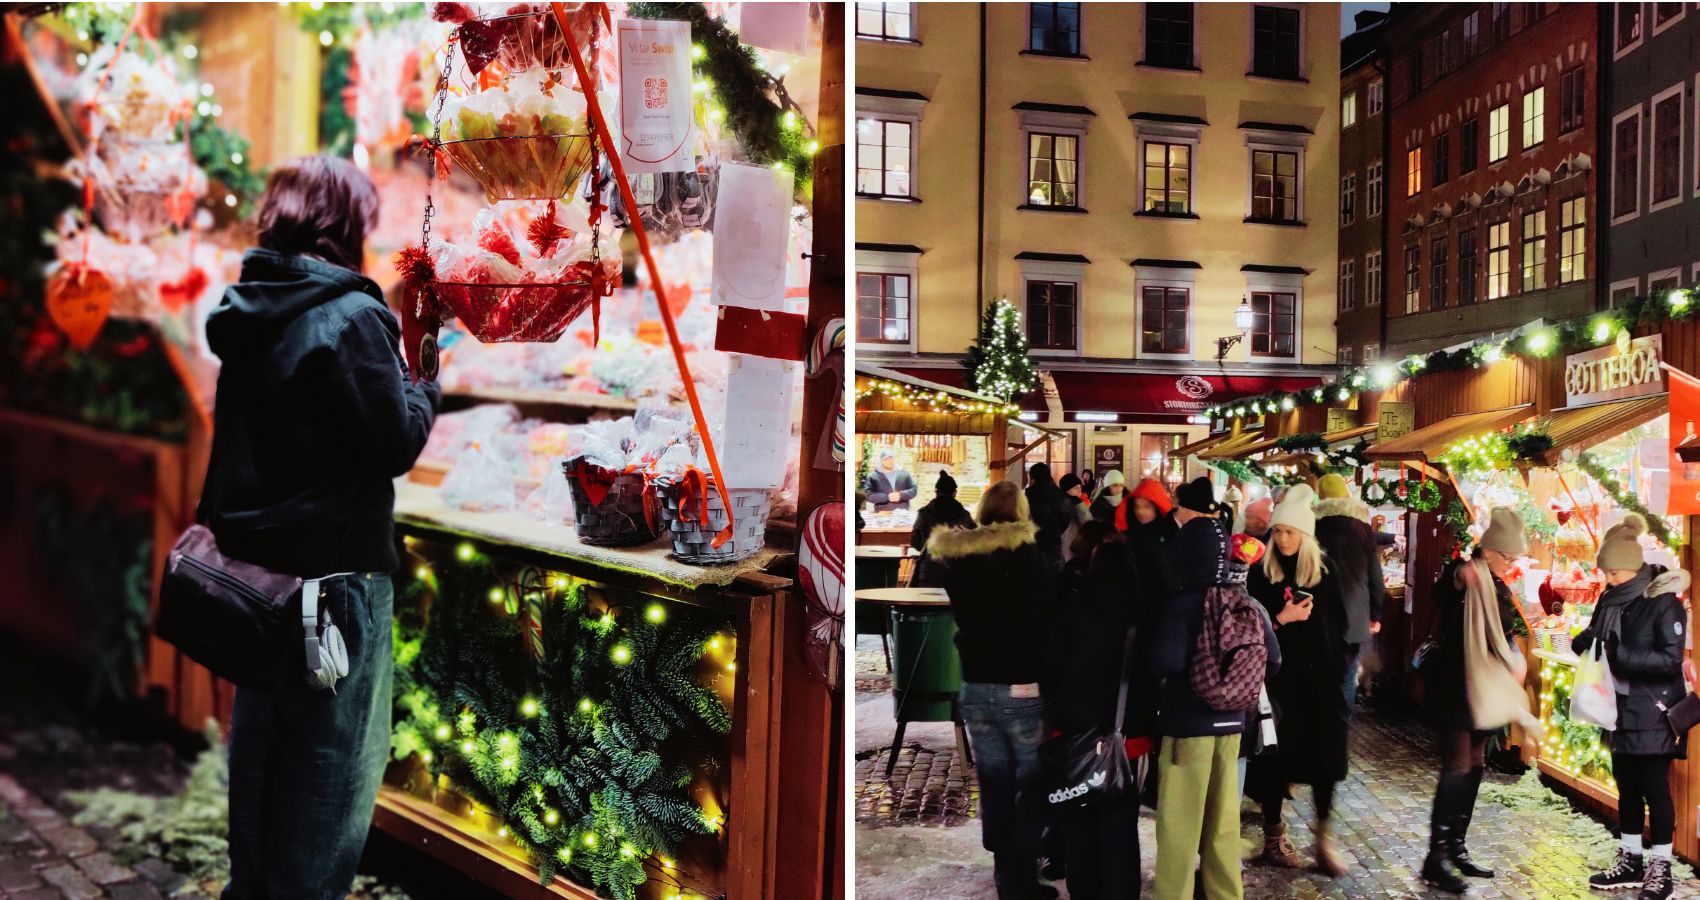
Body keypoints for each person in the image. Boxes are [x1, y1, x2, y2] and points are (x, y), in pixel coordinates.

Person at [199, 157, 440, 900]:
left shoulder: (249, 308)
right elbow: (393, 442)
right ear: (345, 223)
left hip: (257, 588)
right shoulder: (354, 313)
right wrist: (424, 375)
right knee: (324, 795)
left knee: (263, 780)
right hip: (335, 592)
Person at [928, 481, 1055, 900]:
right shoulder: (1028, 557)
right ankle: (1021, 878)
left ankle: (1006, 875)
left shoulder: (959, 558)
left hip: (975, 682)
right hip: (1021, 684)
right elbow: (1042, 625)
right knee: (1031, 784)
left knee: (995, 781)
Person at [1148, 477, 1273, 900]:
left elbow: (1163, 661)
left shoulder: (1180, 602)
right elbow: (1273, 658)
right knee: (1223, 825)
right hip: (1233, 727)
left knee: (1179, 828)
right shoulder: (1242, 599)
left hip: (1188, 726)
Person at [1576, 515, 1692, 900]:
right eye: (1605, 572)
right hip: (1618, 709)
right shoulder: (1611, 600)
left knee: (1654, 789)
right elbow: (1597, 635)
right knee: (1625, 786)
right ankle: (1630, 859)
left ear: (1632, 566)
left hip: (1654, 710)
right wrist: (1583, 643)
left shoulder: (1662, 603)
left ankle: (1662, 868)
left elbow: (1669, 660)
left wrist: (1619, 654)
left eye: (1613, 572)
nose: (1607, 580)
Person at [1420, 508, 1534, 894]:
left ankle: (1456, 846)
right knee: (1456, 765)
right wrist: (1460, 574)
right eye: (1508, 557)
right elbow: (1447, 586)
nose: (1511, 565)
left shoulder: (1498, 585)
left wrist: (1513, 657)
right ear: (1491, 550)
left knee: (1474, 764)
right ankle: (1435, 857)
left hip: (1484, 688)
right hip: (1455, 684)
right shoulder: (1465, 573)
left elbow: (1501, 631)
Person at [1245, 484, 1353, 877]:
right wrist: (1282, 620)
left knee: (1325, 759)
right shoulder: (1262, 574)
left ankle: (1324, 839)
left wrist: (1341, 666)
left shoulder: (1325, 570)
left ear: (1305, 534)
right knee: (1274, 759)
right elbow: (1250, 628)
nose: (1284, 538)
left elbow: (1339, 623)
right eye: (1278, 531)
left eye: (1291, 531)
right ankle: (1274, 835)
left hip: (1321, 680)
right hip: (1278, 683)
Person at [1043, 539, 1151, 900]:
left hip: (1073, 738)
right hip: (1127, 742)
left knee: (1077, 825)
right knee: (1121, 830)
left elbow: (1050, 672)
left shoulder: (1070, 609)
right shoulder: (1141, 615)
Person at [1313, 473, 1387, 710]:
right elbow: (1375, 575)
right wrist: (1376, 613)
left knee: (1322, 670)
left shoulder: (1313, 526)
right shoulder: (1362, 528)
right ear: (1345, 495)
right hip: (1355, 613)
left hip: (1320, 612)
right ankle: (1341, 725)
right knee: (1347, 672)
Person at [909, 471, 976, 587]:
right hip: (958, 570)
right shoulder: (965, 515)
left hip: (929, 568)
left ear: (936, 492)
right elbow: (973, 541)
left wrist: (929, 548)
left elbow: (915, 540)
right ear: (955, 492)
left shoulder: (924, 513)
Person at [1120, 478, 1177, 593]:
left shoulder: (1169, 533)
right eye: (1137, 507)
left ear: (1156, 507)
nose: (1140, 512)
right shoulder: (1129, 535)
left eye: (1146, 506)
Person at [1026, 462, 1074, 573]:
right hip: (1056, 548)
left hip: (1034, 548)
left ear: (1033, 479)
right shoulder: (1061, 496)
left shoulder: (1031, 497)